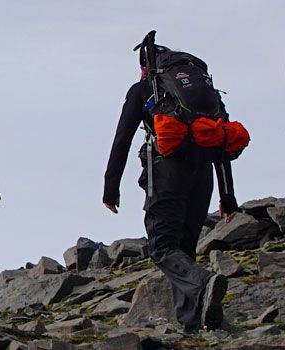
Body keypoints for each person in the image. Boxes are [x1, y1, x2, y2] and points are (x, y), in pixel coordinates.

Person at [101, 36, 237, 332]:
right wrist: (228, 196)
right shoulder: (207, 93)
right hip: (203, 175)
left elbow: (122, 140)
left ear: (146, 67)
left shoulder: (144, 90)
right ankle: (192, 322)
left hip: (166, 172)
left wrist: (110, 187)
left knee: (162, 247)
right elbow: (221, 141)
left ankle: (203, 283)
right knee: (184, 249)